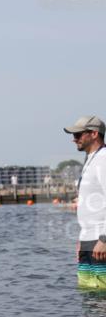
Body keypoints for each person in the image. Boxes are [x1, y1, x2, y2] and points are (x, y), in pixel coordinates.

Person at [64, 115, 106, 290]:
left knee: (102, 298)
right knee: (89, 297)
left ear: (94, 134)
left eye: (78, 135)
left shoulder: (103, 159)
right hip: (89, 240)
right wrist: (83, 239)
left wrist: (104, 239)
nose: (74, 140)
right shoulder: (91, 159)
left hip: (101, 241)